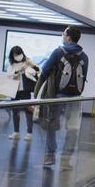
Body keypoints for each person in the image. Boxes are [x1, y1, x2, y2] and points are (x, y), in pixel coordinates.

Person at [35, 26, 89, 170]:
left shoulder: (58, 52)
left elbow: (45, 71)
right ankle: (66, 159)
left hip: (57, 96)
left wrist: (37, 93)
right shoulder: (84, 56)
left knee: (51, 124)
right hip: (75, 98)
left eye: (64, 34)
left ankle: (50, 155)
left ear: (68, 38)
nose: (62, 36)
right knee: (73, 129)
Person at [6, 46, 38, 141]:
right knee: (15, 111)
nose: (18, 56)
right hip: (14, 91)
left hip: (25, 90)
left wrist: (30, 66)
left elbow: (36, 71)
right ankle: (16, 132)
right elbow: (9, 76)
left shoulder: (27, 62)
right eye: (15, 54)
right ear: (12, 55)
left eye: (19, 54)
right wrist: (18, 71)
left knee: (28, 111)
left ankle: (29, 133)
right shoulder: (11, 65)